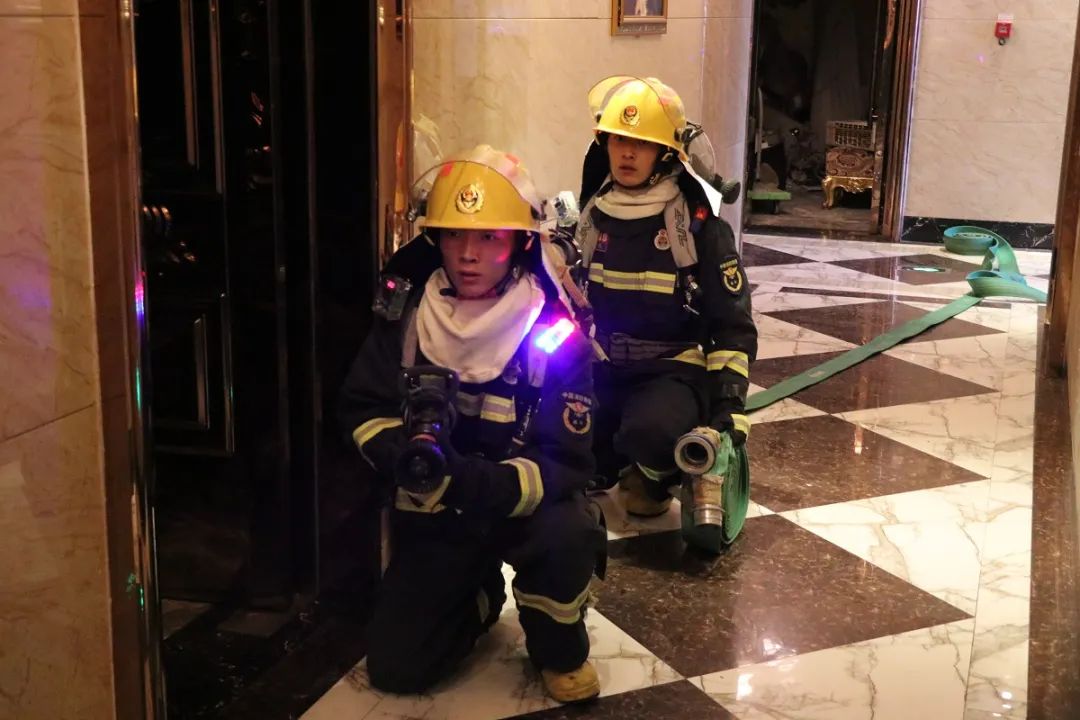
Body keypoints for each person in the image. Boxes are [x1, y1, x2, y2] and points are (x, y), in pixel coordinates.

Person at [338, 145, 606, 703]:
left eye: (489, 237)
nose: (468, 254)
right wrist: (403, 457)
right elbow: (363, 409)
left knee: (567, 532)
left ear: (521, 243)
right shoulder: (407, 315)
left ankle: (556, 641)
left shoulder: (552, 331)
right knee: (397, 668)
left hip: (524, 507)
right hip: (437, 508)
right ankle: (478, 596)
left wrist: (474, 481)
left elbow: (564, 462)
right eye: (455, 235)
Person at [574, 76, 758, 517]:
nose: (628, 153)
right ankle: (609, 460)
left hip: (670, 372)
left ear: (666, 154)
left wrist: (728, 409)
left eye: (642, 143)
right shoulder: (590, 219)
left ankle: (655, 471)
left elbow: (731, 326)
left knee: (652, 433)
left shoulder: (698, 229)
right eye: (619, 140)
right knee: (552, 424)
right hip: (602, 365)